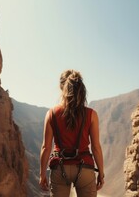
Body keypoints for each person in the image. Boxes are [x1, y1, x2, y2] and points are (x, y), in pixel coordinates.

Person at [39, 69, 105, 197]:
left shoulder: (51, 114)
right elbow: (96, 147)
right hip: (84, 167)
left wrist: (42, 174)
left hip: (59, 167)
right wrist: (101, 174)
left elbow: (46, 147)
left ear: (61, 87)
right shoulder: (91, 115)